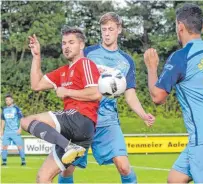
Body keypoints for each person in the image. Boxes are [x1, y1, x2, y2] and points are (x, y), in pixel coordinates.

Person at [58, 12, 155, 184]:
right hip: (82, 117)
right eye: (104, 29)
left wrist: (143, 115)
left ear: (119, 30)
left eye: (111, 29)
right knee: (67, 168)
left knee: (124, 166)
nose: (107, 33)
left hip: (108, 121)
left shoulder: (126, 61)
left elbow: (130, 94)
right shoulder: (87, 53)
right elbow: (71, 76)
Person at [144, 3, 203, 183]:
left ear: (180, 26)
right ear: (202, 27)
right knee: (175, 179)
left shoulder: (182, 56)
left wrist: (152, 68)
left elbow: (157, 97)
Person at [20, 26, 101, 183]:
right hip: (75, 134)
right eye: (64, 43)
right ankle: (69, 147)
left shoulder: (85, 63)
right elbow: (36, 85)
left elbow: (96, 93)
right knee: (43, 178)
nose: (66, 47)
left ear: (82, 45)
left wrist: (68, 91)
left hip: (80, 118)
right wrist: (36, 56)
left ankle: (69, 147)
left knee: (26, 121)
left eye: (71, 42)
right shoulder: (62, 71)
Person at [1, 94, 26, 166]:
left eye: (9, 100)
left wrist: (20, 128)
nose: (7, 101)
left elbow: (21, 119)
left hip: (15, 131)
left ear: (12, 100)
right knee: (4, 147)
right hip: (6, 132)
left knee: (19, 146)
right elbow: (3, 120)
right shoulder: (4, 109)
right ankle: (4, 162)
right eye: (6, 100)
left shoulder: (16, 108)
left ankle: (23, 161)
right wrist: (1, 130)